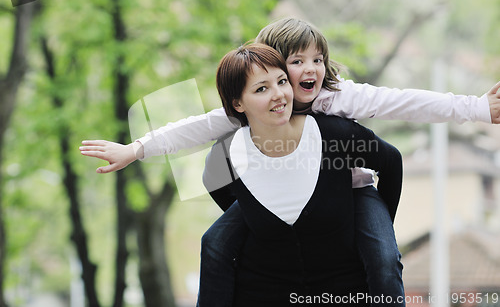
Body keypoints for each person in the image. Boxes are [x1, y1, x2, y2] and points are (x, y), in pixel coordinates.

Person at [80, 18, 500, 306]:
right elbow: (193, 129)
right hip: (275, 195)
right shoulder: (251, 103)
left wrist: (477, 108)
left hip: (350, 192)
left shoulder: (336, 98)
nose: (310, 70)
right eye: (295, 62)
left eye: (317, 59)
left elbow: (404, 102)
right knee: (215, 243)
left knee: (384, 259)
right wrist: (135, 150)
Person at [204, 42, 402, 306]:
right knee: (213, 242)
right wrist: (257, 213)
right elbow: (212, 182)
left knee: (384, 260)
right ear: (238, 103)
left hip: (348, 289)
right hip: (266, 292)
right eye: (262, 88)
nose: (279, 95)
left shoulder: (335, 135)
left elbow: (391, 161)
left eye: (282, 81)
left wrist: (379, 222)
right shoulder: (225, 155)